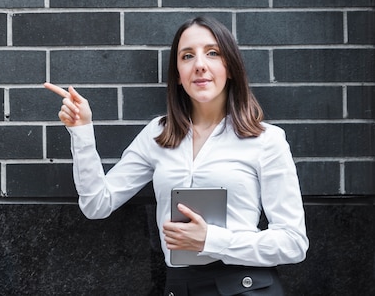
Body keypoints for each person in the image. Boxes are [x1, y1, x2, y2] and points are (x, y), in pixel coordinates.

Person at [44, 16, 308, 296]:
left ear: (229, 67)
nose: (200, 65)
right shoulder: (157, 134)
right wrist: (82, 131)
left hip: (245, 285)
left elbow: (293, 243)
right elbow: (97, 204)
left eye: (213, 53)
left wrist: (211, 240)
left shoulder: (266, 139)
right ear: (178, 75)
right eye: (187, 56)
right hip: (180, 286)